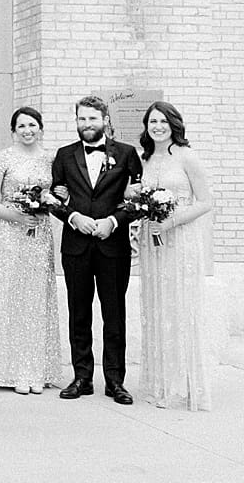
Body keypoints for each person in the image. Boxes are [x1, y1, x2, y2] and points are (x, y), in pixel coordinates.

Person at [49, 95, 143, 406]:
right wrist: (74, 217)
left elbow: (138, 201)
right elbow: (55, 199)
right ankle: (82, 378)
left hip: (113, 246)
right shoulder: (64, 155)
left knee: (114, 314)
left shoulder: (128, 154)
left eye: (92, 119)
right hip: (76, 247)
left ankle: (115, 381)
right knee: (79, 313)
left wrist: (114, 221)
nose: (86, 124)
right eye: (81, 119)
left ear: (104, 120)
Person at [138, 102, 214, 411]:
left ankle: (183, 387)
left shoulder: (186, 156)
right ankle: (161, 383)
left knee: (179, 308)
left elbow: (205, 202)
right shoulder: (144, 159)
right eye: (152, 121)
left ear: (174, 124)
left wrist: (173, 220)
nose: (157, 126)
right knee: (158, 307)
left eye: (163, 121)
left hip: (180, 239)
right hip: (153, 242)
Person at [0, 107, 62, 394]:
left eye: (32, 125)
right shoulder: (2, 158)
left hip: (39, 236)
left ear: (40, 128)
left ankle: (37, 370)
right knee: (11, 296)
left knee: (37, 298)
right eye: (21, 125)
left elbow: (60, 194)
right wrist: (16, 217)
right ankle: (11, 371)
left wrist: (54, 199)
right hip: (10, 234)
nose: (27, 130)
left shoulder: (51, 159)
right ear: (13, 130)